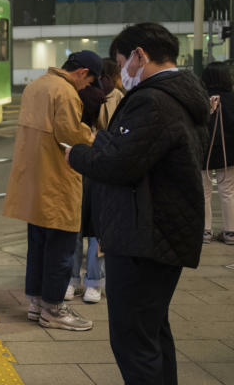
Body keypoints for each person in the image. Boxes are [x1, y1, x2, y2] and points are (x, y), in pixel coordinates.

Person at [67, 23, 208, 384]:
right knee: (153, 334)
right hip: (161, 232)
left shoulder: (153, 100)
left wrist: (79, 154)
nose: (121, 72)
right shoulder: (181, 95)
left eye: (121, 61)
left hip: (143, 237)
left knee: (134, 342)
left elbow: (119, 163)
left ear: (139, 56)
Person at [3, 50, 100, 331]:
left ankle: (35, 304)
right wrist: (92, 136)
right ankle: (53, 309)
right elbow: (69, 134)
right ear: (82, 72)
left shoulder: (36, 85)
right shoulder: (66, 92)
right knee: (61, 248)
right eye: (90, 81)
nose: (88, 88)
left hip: (33, 180)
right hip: (57, 181)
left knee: (38, 245)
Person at [67, 61, 123, 305]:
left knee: (77, 226)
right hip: (101, 163)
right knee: (95, 228)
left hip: (84, 163)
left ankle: (72, 281)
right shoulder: (118, 96)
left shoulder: (74, 93)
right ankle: (93, 283)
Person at [201, 62, 234, 245]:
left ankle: (205, 232)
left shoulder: (199, 98)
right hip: (228, 151)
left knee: (204, 192)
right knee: (228, 191)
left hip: (203, 151)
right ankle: (231, 233)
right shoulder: (232, 99)